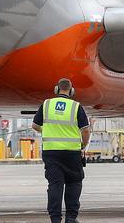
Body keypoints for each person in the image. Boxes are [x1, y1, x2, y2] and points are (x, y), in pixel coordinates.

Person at [32, 78, 90, 223]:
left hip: (51, 153)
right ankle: (71, 217)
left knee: (55, 185)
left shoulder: (46, 104)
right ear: (71, 91)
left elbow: (35, 125)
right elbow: (85, 130)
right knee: (74, 182)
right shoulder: (76, 107)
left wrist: (47, 130)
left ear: (56, 89)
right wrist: (83, 144)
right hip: (71, 153)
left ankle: (55, 219)